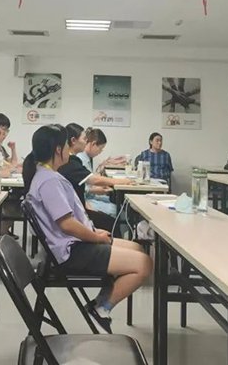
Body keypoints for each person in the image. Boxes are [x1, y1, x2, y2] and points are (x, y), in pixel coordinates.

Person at [24, 124, 152, 333]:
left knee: (137, 249)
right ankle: (102, 307)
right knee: (144, 264)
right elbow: (67, 224)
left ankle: (101, 300)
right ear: (58, 149)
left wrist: (93, 233)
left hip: (73, 244)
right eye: (67, 146)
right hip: (71, 251)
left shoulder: (47, 175)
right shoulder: (49, 181)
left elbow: (69, 221)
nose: (71, 149)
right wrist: (95, 237)